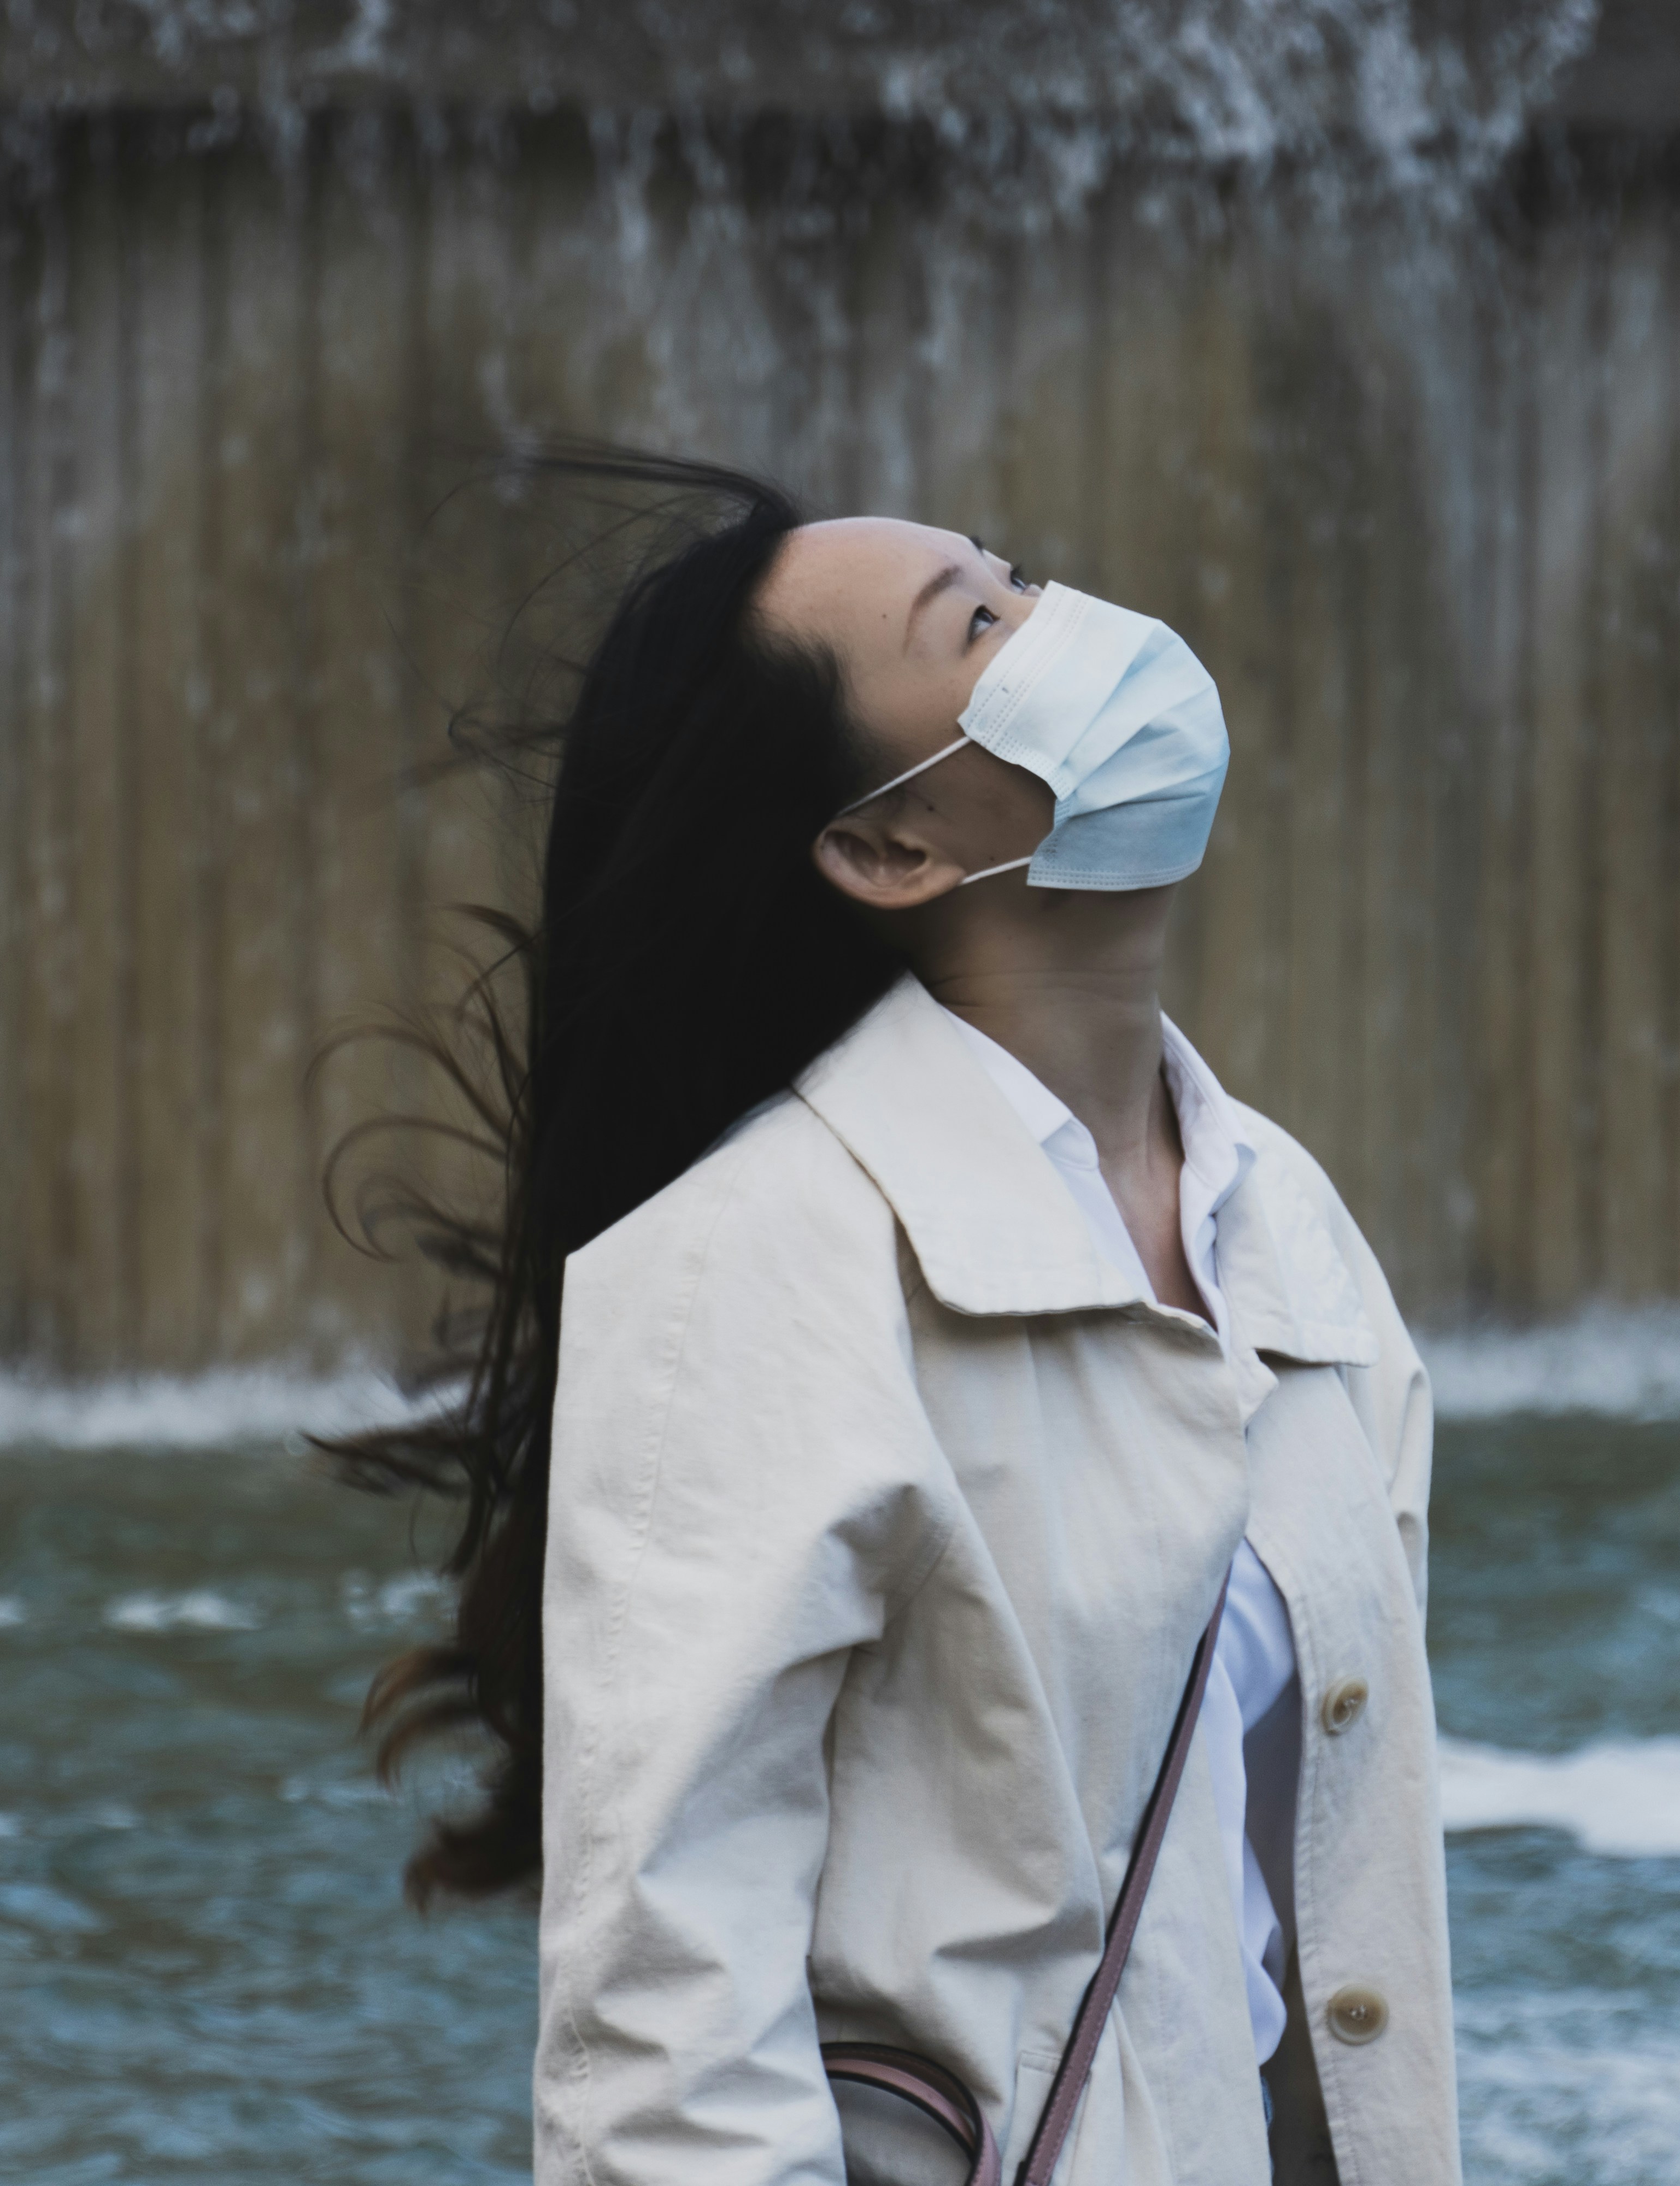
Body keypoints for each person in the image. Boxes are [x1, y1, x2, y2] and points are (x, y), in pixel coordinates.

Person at [329, 455, 1457, 2185]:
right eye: (984, 626)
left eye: (1022, 580)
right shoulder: (751, 1270)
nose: (1076, 632)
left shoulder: (1284, 1228)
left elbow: (1314, 1915)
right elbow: (663, 2037)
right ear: (887, 843)